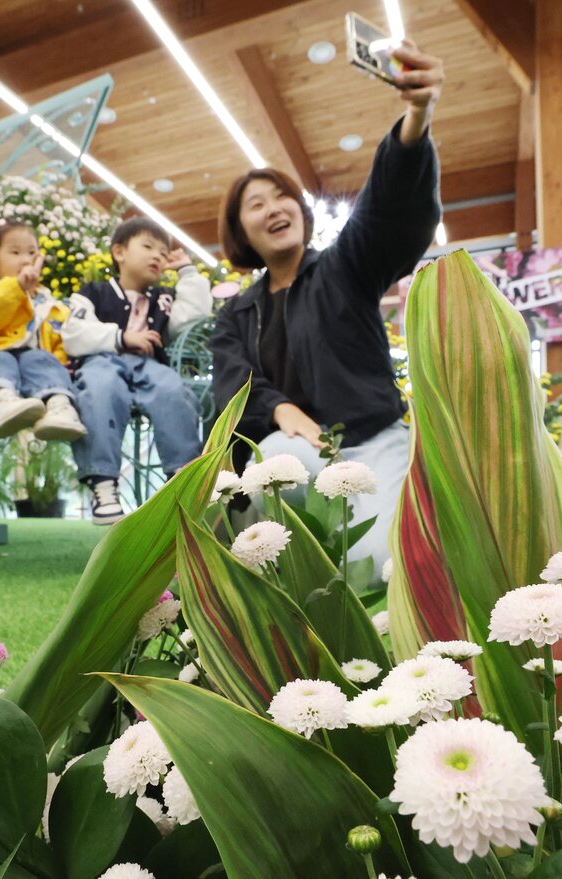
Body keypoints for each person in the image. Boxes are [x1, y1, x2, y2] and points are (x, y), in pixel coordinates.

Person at [210, 41, 444, 572]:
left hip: (373, 441)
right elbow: (232, 382)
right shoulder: (237, 314)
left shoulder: (346, 266)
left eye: (281, 195)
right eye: (256, 203)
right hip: (293, 450)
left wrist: (416, 118)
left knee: (379, 564)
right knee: (267, 477)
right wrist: (279, 409)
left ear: (299, 207)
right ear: (241, 230)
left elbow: (386, 215)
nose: (274, 207)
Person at [61, 217, 211, 524]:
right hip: (101, 361)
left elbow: (195, 315)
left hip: (151, 366)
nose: (157, 255)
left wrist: (186, 270)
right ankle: (102, 483)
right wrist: (120, 337)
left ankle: (183, 479)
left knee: (172, 390)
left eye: (163, 251)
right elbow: (73, 334)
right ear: (119, 252)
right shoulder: (93, 292)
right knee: (99, 389)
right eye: (147, 247)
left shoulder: (164, 299)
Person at [0, 221, 86, 440]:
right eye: (15, 252)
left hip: (35, 361)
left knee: (42, 360)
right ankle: (1, 401)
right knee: (1, 360)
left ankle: (58, 406)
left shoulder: (48, 302)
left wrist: (60, 361)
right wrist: (17, 286)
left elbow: (59, 334)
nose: (25, 259)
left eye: (32, 252)